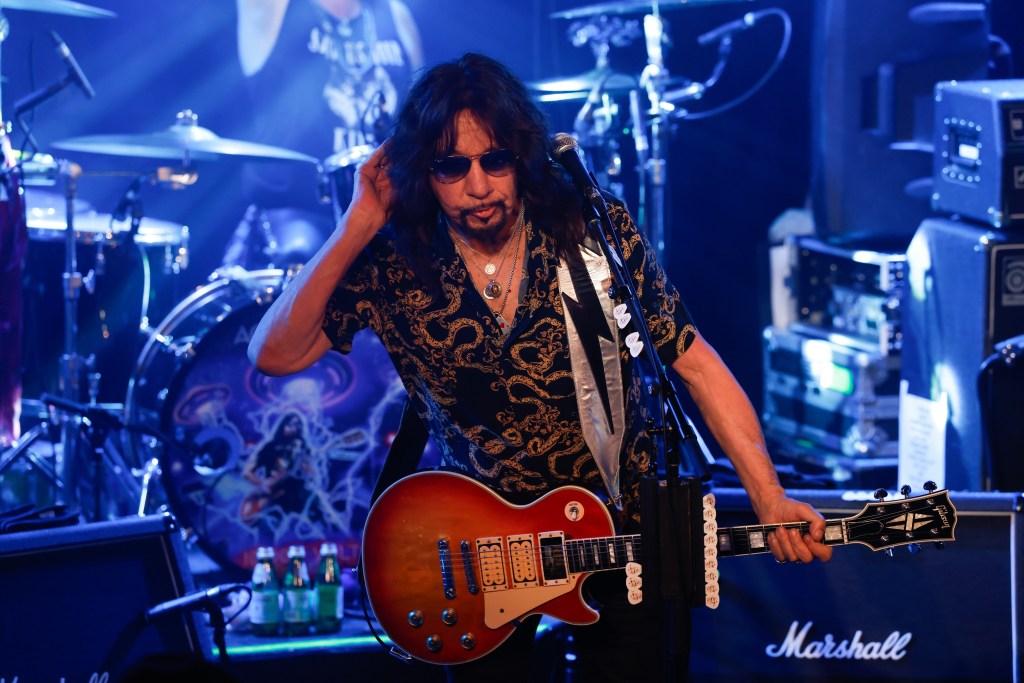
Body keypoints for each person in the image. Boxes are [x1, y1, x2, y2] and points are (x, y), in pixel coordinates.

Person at [248, 52, 832, 681]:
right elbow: (274, 354)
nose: (478, 186)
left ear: (522, 155)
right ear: (422, 171)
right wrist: (358, 222)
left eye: (495, 160)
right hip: (481, 556)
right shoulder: (396, 260)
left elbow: (694, 363)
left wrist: (768, 495)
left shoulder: (588, 229)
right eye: (451, 167)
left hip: (620, 533)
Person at [225, 0, 424, 269]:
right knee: (303, 256)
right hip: (297, 211)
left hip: (384, 214)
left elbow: (419, 124)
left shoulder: (396, 15)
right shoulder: (272, 7)